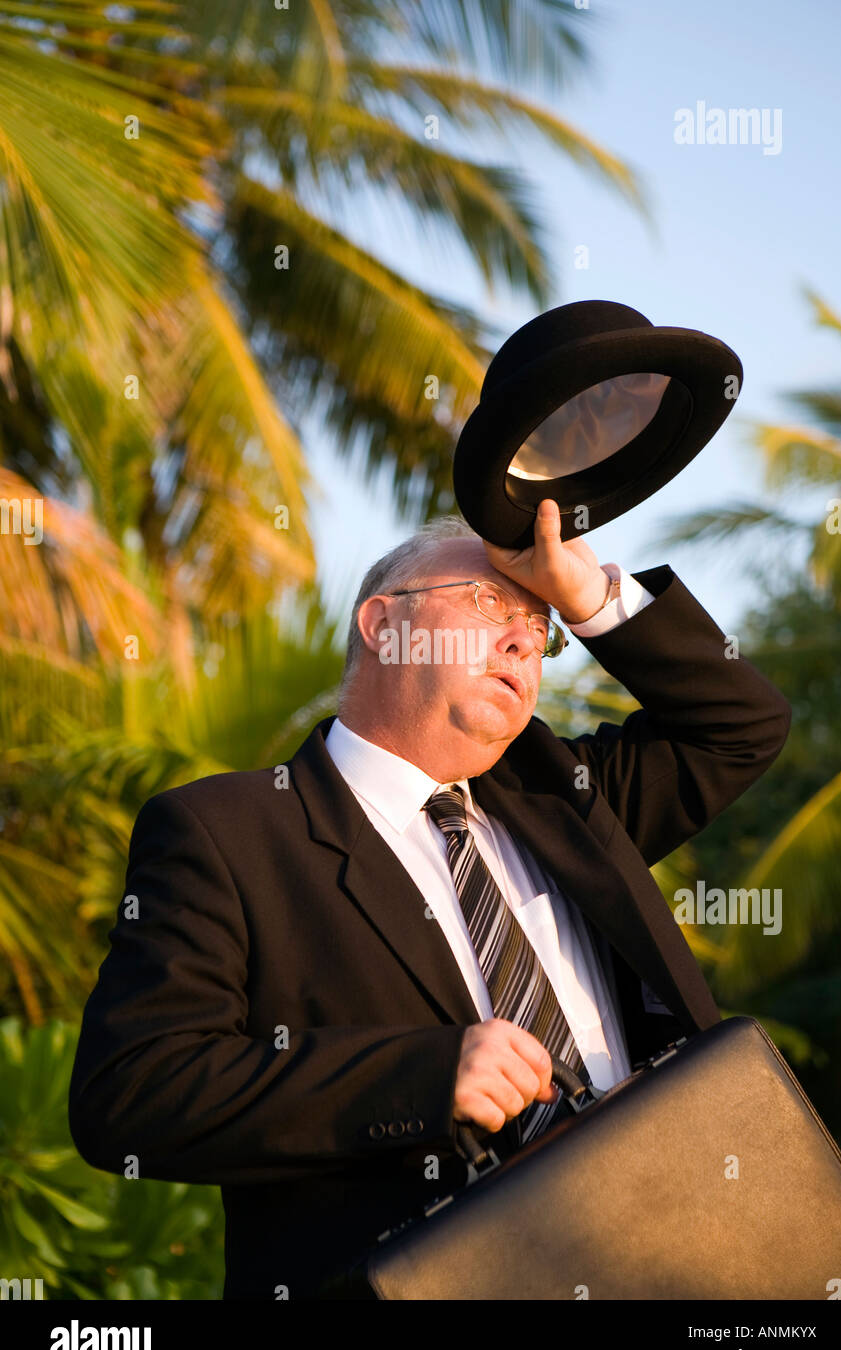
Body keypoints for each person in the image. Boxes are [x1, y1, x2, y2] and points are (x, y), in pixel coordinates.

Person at [68, 498, 791, 1299]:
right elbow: (133, 1091)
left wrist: (586, 593)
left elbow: (741, 727)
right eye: (489, 604)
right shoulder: (226, 833)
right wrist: (421, 1078)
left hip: (676, 1267)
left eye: (540, 628)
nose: (526, 637)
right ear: (384, 625)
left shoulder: (571, 798)